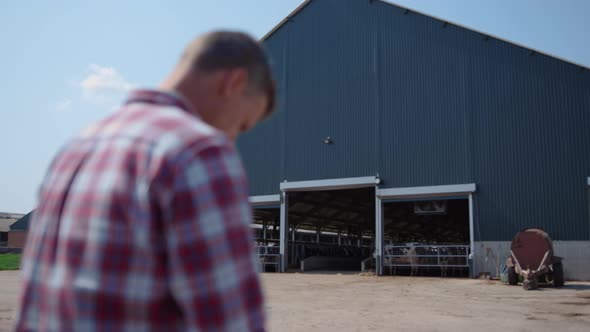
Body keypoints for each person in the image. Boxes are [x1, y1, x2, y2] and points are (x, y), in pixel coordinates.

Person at [15, 30, 275, 331]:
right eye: (241, 125)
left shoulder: (75, 148)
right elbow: (231, 321)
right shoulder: (199, 151)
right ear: (235, 82)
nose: (232, 138)